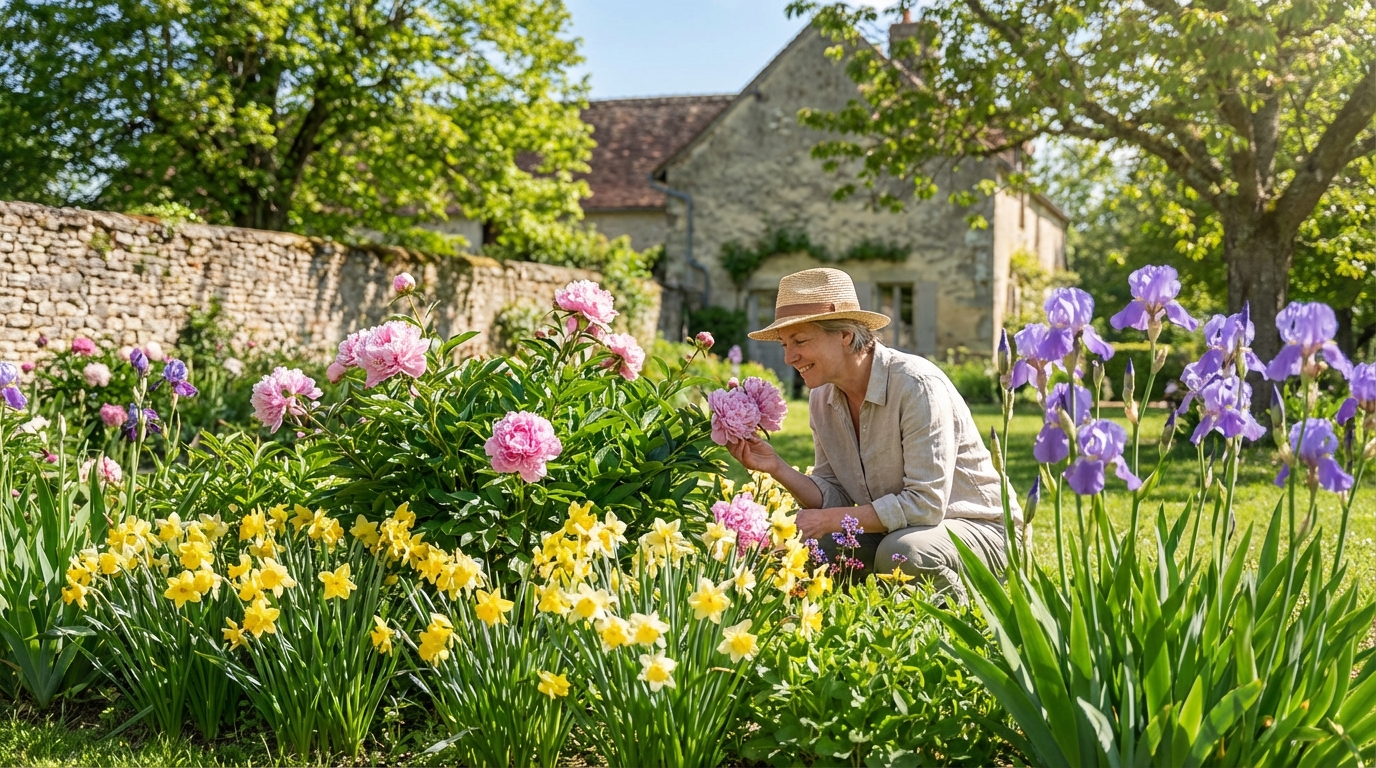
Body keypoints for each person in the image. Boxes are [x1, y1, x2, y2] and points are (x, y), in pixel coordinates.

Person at [726, 268, 1017, 600]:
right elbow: (834, 494)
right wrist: (776, 467)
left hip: (980, 529)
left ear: (845, 335)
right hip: (898, 530)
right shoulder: (822, 397)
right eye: (784, 344)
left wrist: (826, 521)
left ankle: (969, 605)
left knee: (901, 553)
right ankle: (883, 602)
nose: (789, 357)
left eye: (800, 341)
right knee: (808, 549)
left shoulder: (916, 385)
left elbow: (925, 505)